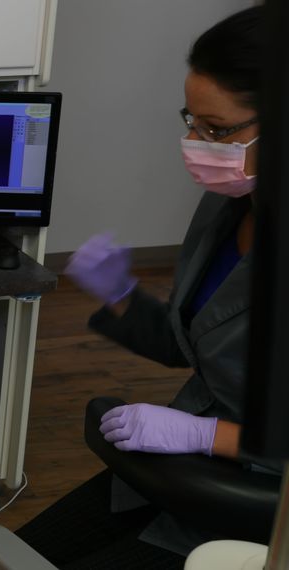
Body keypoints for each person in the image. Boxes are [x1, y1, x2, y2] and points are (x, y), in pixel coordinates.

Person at [15, 6, 267, 568]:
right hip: (183, 470)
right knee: (11, 558)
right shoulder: (230, 206)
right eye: (191, 121)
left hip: (258, 499)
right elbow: (198, 344)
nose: (197, 144)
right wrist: (122, 296)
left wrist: (209, 436)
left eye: (218, 130)